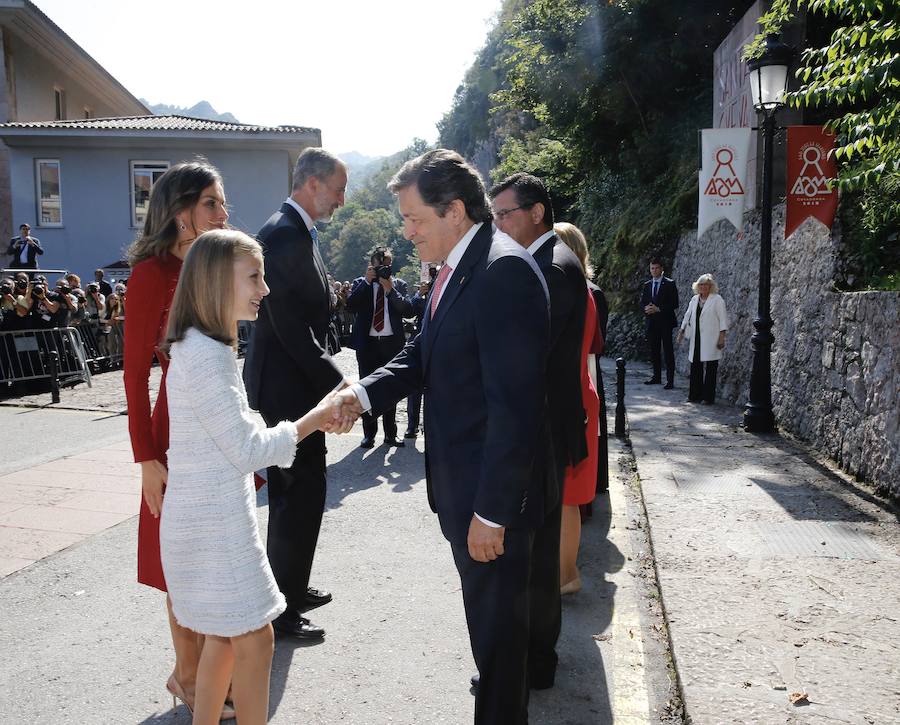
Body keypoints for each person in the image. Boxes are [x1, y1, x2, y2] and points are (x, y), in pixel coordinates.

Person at [333, 150, 550, 724]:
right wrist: (362, 394)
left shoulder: (500, 271)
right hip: (467, 493)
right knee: (490, 638)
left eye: (414, 220)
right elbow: (422, 354)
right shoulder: (461, 266)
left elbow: (517, 407)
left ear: (454, 211)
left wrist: (494, 513)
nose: (406, 234)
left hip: (490, 504)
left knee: (501, 652)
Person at [159, 229, 354, 725]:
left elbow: (238, 436)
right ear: (215, 281)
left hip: (211, 523)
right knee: (255, 637)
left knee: (224, 641)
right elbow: (248, 449)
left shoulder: (204, 348)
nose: (265, 289)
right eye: (254, 276)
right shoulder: (205, 355)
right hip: (215, 530)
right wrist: (316, 416)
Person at [122, 160, 231, 718]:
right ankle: (188, 676)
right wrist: (146, 458)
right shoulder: (151, 275)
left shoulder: (215, 267)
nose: (222, 212)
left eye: (221, 202)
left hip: (215, 426)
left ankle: (198, 671)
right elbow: (133, 372)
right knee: (179, 561)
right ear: (180, 211)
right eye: (211, 203)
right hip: (171, 434)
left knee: (215, 552)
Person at [242, 147, 349, 641]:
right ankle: (280, 610)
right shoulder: (284, 233)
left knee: (306, 491)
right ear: (311, 184)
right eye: (338, 189)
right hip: (287, 386)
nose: (342, 200)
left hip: (296, 383)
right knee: (295, 494)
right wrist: (340, 383)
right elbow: (290, 327)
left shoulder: (298, 230)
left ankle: (292, 585)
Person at [489, 173, 588, 688]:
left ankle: (533, 663)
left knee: (533, 558)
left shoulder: (553, 267)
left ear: (537, 213)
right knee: (536, 553)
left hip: (541, 429)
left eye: (505, 214)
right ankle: (536, 660)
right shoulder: (547, 262)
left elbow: (530, 354)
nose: (498, 223)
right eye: (496, 214)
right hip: (547, 425)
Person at [551, 222, 601, 593]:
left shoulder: (571, 292)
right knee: (566, 496)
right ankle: (564, 571)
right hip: (581, 391)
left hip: (571, 396)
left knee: (566, 496)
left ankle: (566, 575)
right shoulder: (585, 291)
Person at [346, 246, 412, 448]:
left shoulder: (398, 284)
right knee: (366, 389)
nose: (385, 268)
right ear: (372, 265)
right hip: (368, 346)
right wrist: (367, 282)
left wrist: (390, 290)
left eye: (388, 264)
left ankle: (391, 434)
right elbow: (350, 305)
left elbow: (406, 310)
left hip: (391, 344)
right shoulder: (361, 283)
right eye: (381, 265)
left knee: (390, 388)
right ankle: (369, 434)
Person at [677, 274, 728, 404]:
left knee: (711, 368)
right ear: (697, 286)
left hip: (711, 338)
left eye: (706, 284)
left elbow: (723, 320)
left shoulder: (717, 300)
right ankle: (694, 395)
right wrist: (681, 331)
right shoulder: (694, 299)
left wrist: (722, 337)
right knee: (695, 366)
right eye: (701, 284)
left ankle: (708, 397)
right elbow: (687, 315)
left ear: (710, 286)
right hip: (696, 337)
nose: (703, 287)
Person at [640, 257, 679, 388]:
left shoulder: (669, 283)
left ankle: (670, 380)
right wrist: (646, 309)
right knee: (654, 351)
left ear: (662, 269)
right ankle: (656, 376)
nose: (654, 270)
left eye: (656, 268)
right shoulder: (647, 285)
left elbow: (674, 303)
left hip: (666, 322)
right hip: (652, 322)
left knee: (668, 350)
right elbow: (642, 302)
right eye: (652, 268)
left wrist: (659, 309)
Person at [403, 280, 430, 439]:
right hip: (419, 343)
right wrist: (419, 293)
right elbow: (408, 311)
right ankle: (412, 426)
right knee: (414, 389)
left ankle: (430, 426)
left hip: (438, 345)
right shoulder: (420, 299)